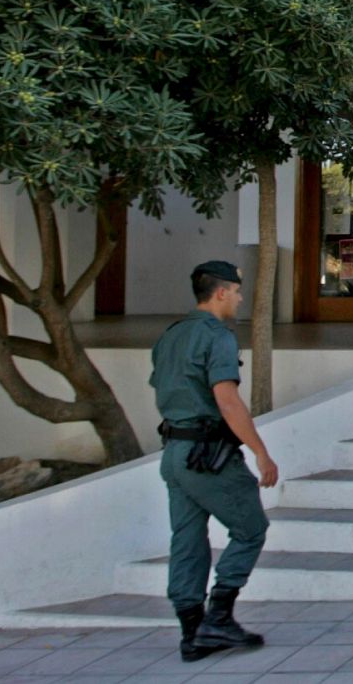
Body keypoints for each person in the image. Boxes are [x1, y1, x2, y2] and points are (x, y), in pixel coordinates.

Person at [149, 260, 279, 662]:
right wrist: (260, 452)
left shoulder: (172, 335)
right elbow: (226, 399)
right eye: (237, 291)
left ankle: (192, 632)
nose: (241, 298)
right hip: (208, 454)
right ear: (221, 292)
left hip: (174, 452)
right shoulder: (216, 336)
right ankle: (218, 617)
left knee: (187, 540)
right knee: (251, 528)